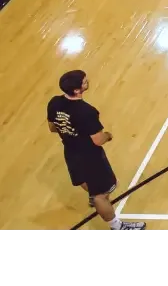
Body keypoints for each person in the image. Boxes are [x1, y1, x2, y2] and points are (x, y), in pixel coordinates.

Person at [47, 70, 145, 230]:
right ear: (77, 90)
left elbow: (52, 127)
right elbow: (98, 140)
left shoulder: (54, 103)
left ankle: (94, 197)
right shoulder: (86, 111)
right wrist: (108, 135)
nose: (87, 82)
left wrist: (69, 130)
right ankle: (117, 226)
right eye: (84, 82)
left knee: (86, 182)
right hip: (90, 157)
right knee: (101, 195)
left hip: (71, 152)